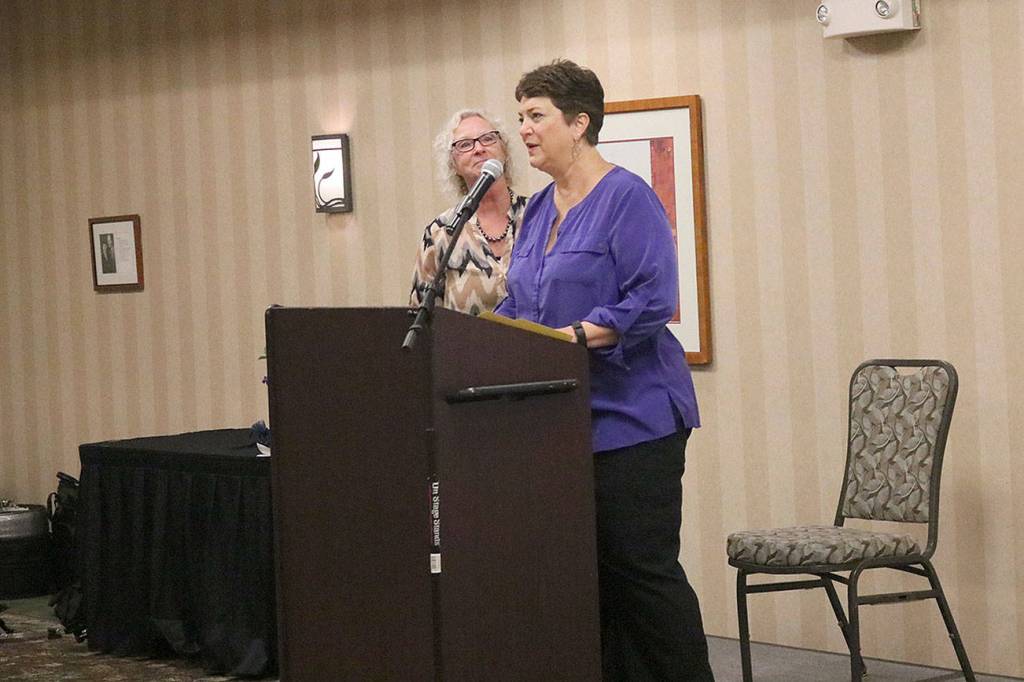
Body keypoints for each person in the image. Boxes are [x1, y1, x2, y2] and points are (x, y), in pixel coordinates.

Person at [496, 60, 714, 681]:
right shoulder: (537, 211)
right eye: (520, 118)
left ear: (579, 122)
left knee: (641, 573)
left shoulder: (627, 197)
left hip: (636, 421)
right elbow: (521, 302)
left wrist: (573, 337)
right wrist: (493, 336)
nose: (525, 131)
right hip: (563, 423)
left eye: (536, 116)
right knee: (586, 580)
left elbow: (652, 297)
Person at [409, 109, 527, 316]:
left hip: (539, 345)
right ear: (453, 164)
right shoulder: (441, 232)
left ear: (504, 150)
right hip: (466, 347)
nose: (479, 149)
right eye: (465, 144)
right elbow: (420, 314)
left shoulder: (539, 214)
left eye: (488, 138)